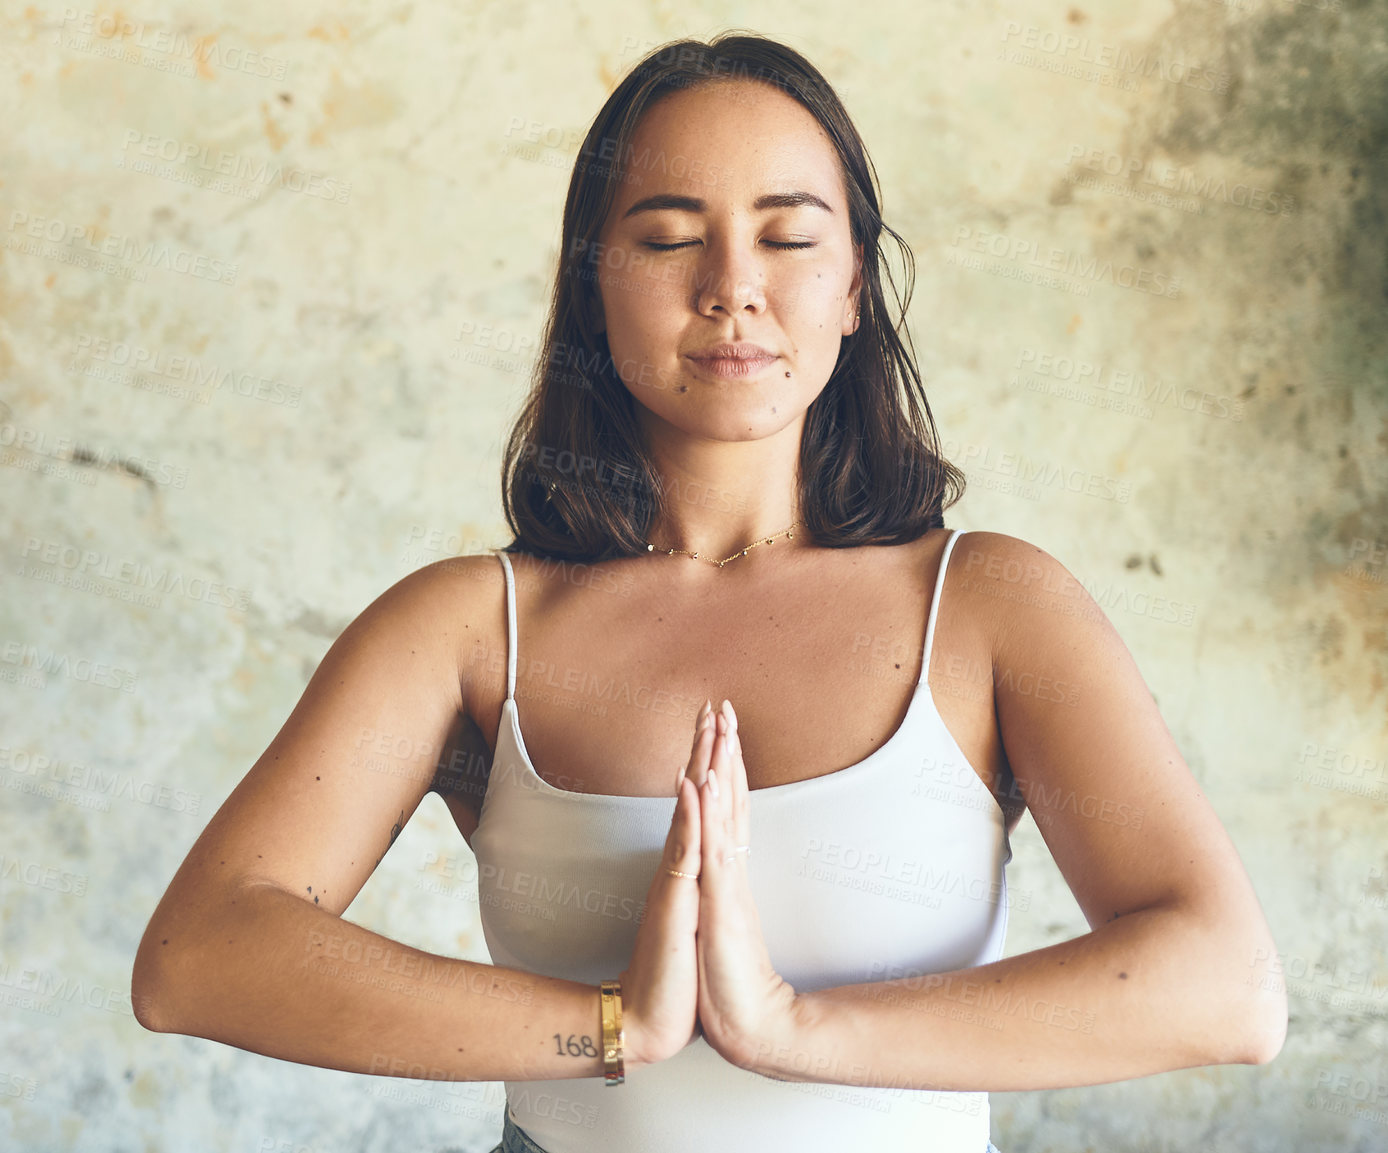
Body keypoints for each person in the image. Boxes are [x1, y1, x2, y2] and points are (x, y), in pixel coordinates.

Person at [130, 32, 1286, 1153]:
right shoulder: (472, 630)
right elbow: (199, 955)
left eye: (787, 238)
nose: (733, 289)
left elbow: (1226, 986)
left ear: (851, 289)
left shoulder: (989, 607)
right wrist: (613, 1030)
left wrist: (788, 1027)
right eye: (671, 237)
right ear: (592, 288)